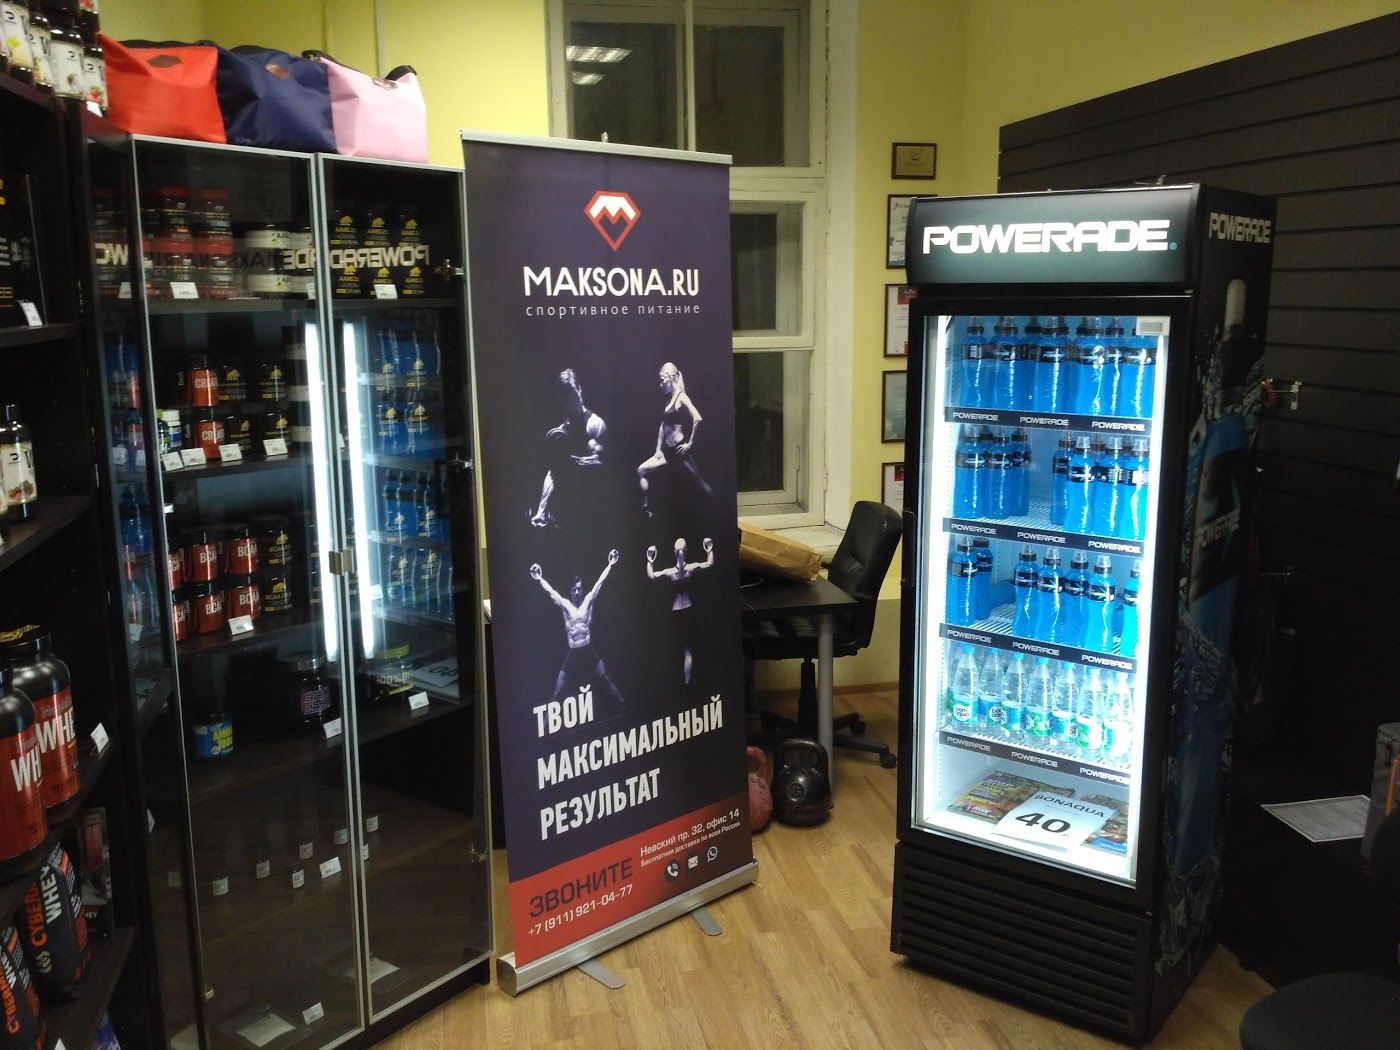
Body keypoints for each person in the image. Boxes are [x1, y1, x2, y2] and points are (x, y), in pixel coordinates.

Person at [530, 550, 623, 707]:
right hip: (573, 652)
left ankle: (623, 704)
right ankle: (547, 718)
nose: (577, 592)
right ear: (570, 591)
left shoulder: (587, 600)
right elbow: (550, 591)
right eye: (574, 589)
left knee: (605, 677)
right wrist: (539, 578)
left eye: (579, 589)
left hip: (588, 649)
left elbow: (600, 582)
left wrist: (610, 564)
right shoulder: (565, 604)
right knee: (558, 690)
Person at [530, 368, 607, 528]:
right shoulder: (561, 433)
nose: (572, 401)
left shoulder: (595, 424)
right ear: (562, 402)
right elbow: (553, 473)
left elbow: (601, 463)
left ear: (580, 390)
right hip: (570, 512)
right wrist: (541, 511)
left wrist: (572, 462)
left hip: (595, 509)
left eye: (574, 395)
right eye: (567, 398)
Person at [637, 362, 711, 517]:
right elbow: (663, 425)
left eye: (662, 380)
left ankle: (717, 509)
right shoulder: (668, 400)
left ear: (671, 378)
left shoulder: (681, 398)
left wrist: (689, 444)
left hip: (679, 453)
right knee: (641, 470)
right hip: (667, 454)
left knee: (699, 484)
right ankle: (645, 509)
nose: (660, 384)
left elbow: (698, 418)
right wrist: (658, 449)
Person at [645, 537, 714, 684]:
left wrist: (649, 559)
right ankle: (686, 683)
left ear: (674, 552)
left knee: (676, 649)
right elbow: (709, 564)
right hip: (688, 609)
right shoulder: (691, 568)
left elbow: (651, 576)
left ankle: (678, 684)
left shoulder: (670, 572)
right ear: (686, 551)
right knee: (687, 650)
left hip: (676, 611)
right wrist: (709, 549)